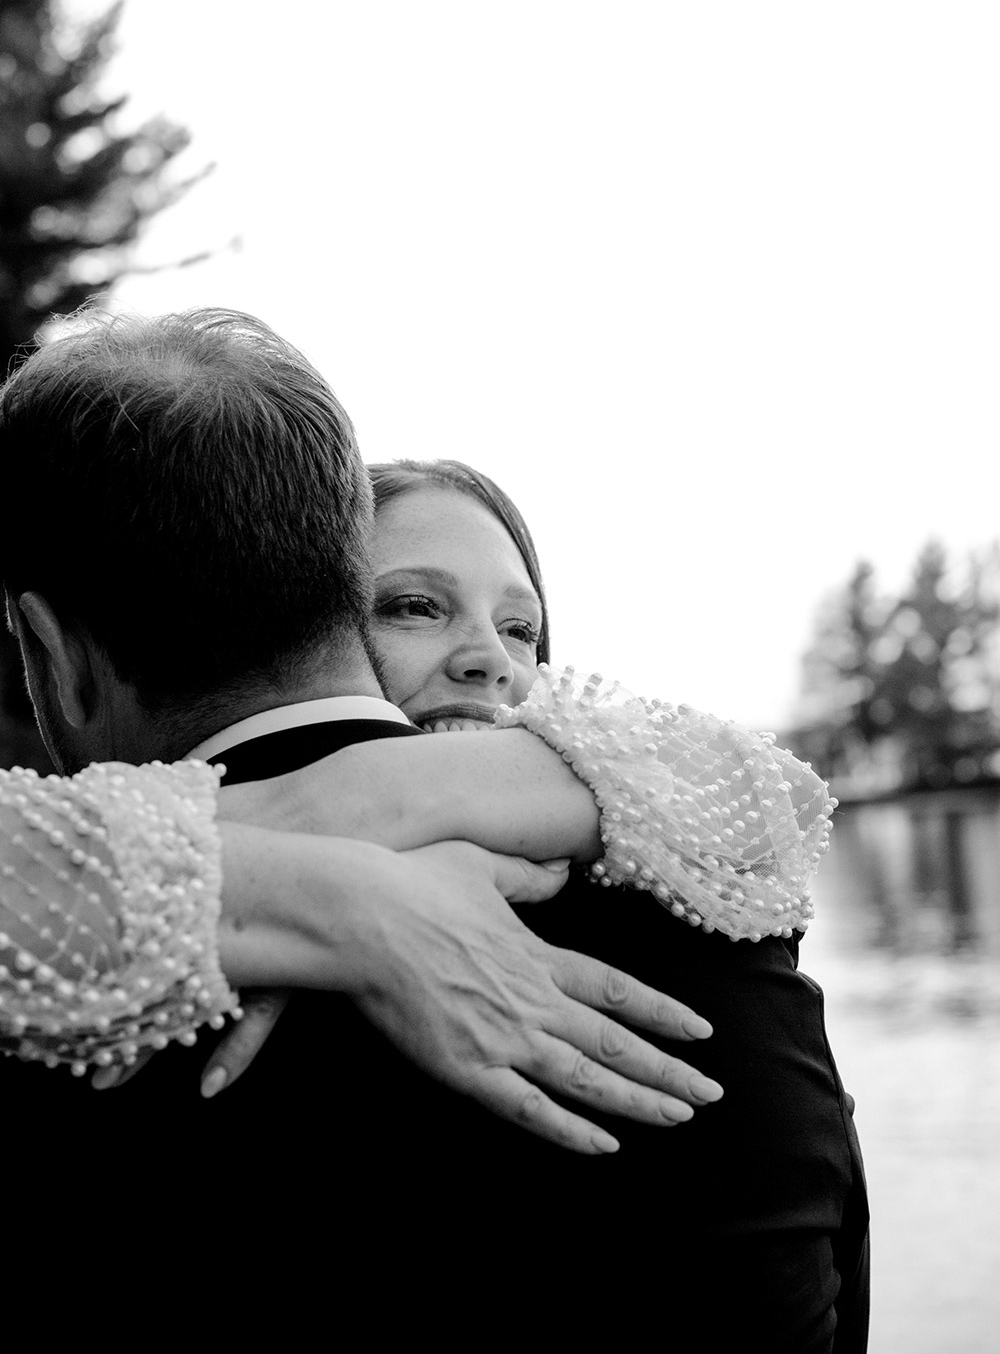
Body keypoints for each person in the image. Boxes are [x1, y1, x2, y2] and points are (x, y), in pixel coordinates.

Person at [0, 311, 864, 1346]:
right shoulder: (733, 931)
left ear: (50, 652)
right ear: (330, 590)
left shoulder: (50, 988)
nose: (485, 660)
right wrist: (322, 889)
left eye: (519, 625)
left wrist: (311, 822)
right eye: (413, 604)